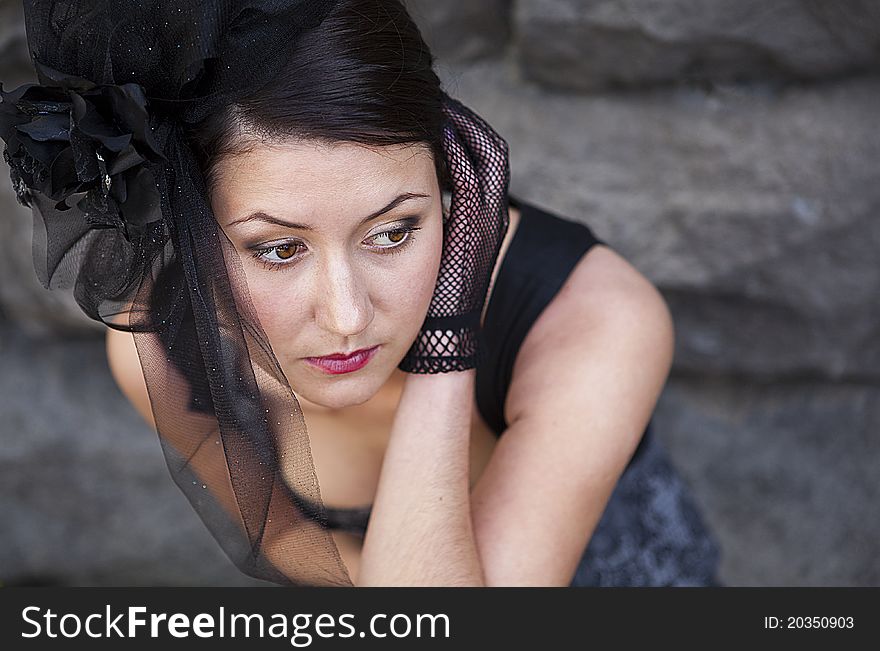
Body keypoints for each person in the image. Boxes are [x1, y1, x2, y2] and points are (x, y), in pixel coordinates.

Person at [4, 0, 722, 586]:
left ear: (452, 187)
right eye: (279, 248)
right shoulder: (158, 353)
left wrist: (447, 337)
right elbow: (286, 536)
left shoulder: (597, 323)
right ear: (187, 224)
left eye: (393, 232)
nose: (348, 315)